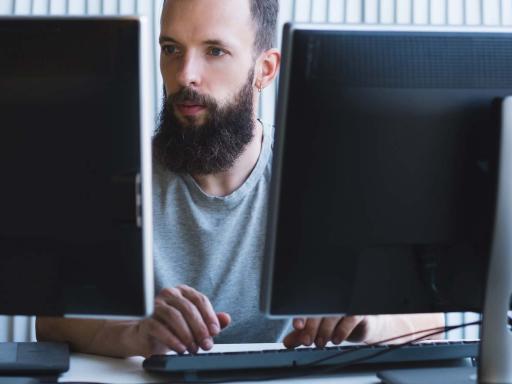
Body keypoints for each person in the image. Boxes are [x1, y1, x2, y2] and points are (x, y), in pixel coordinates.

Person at [36, 0, 444, 357]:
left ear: (264, 70)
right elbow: (52, 320)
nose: (185, 76)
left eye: (214, 50)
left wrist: (367, 324)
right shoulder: (115, 175)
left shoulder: (332, 177)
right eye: (171, 49)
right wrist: (137, 334)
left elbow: (431, 321)